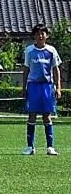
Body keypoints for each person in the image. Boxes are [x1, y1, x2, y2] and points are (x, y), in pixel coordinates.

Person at [21, 23, 61, 156]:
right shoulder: (29, 50)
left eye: (42, 33)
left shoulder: (51, 51)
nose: (40, 36)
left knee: (47, 115)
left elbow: (56, 70)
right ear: (34, 36)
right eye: (37, 33)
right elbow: (26, 69)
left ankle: (50, 147)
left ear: (47, 35)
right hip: (33, 86)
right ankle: (30, 147)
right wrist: (24, 87)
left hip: (47, 86)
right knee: (32, 115)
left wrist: (58, 87)